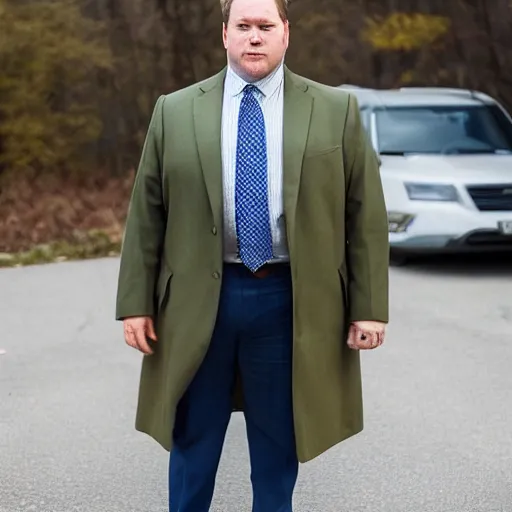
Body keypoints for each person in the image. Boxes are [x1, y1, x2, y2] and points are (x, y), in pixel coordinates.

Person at [115, 0, 389, 510]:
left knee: (276, 442)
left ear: (287, 33)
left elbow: (365, 215)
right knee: (193, 437)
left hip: (288, 300)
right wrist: (135, 302)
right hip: (200, 301)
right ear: (224, 35)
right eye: (243, 26)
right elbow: (146, 212)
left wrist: (368, 307)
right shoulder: (174, 110)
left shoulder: (335, 109)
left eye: (266, 26)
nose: (254, 37)